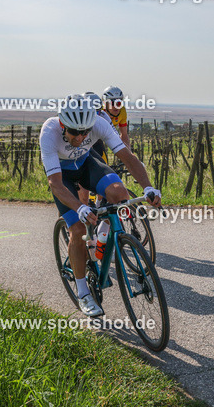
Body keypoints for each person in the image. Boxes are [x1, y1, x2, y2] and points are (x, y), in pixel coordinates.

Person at [40, 95, 161, 317]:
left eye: (85, 132)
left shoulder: (99, 123)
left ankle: (102, 237)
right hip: (63, 174)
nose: (80, 137)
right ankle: (83, 292)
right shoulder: (49, 132)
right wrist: (79, 207)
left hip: (86, 163)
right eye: (74, 132)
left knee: (119, 193)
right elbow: (55, 184)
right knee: (76, 228)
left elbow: (128, 157)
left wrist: (148, 188)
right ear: (62, 124)